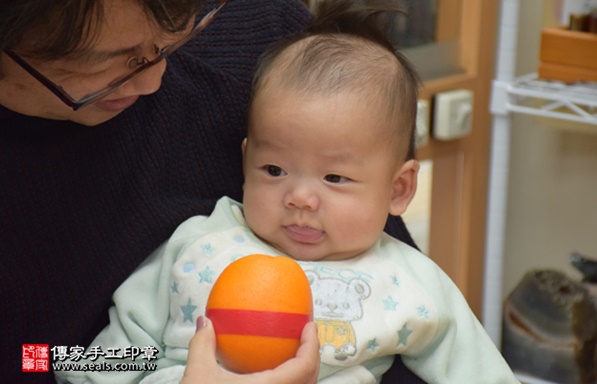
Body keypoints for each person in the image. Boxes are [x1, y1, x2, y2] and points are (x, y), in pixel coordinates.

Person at [55, 1, 520, 383]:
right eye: (274, 169)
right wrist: (51, 363)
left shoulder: (412, 283)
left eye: (334, 179)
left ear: (399, 189)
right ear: (244, 162)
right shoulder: (199, 241)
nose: (300, 197)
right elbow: (109, 354)